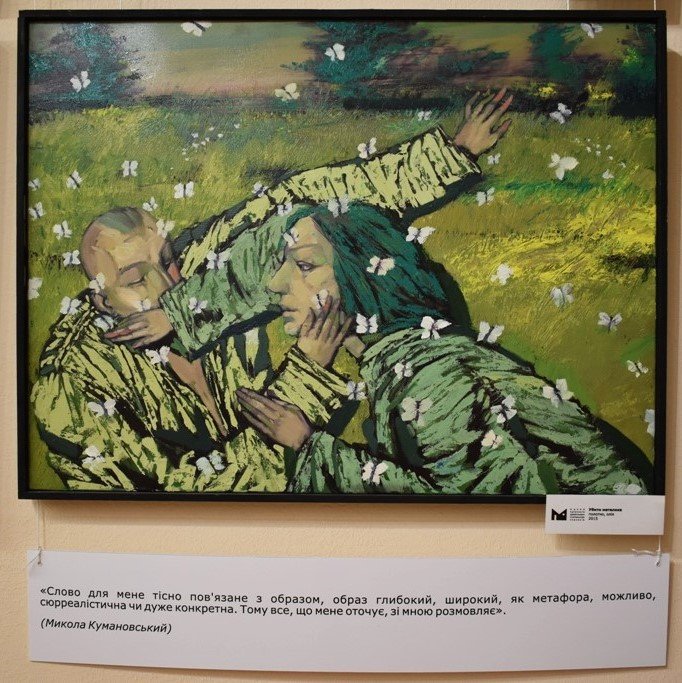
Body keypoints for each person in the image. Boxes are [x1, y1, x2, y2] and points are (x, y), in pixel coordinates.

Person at [236, 203, 654, 495]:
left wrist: (309, 444)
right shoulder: (408, 360)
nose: (276, 284)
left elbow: (472, 499)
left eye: (304, 265)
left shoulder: (430, 373)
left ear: (363, 273)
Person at [31, 207, 349, 492]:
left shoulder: (206, 296)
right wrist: (307, 377)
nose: (168, 288)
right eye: (137, 280)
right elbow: (195, 490)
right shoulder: (73, 384)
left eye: (168, 261)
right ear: (103, 301)